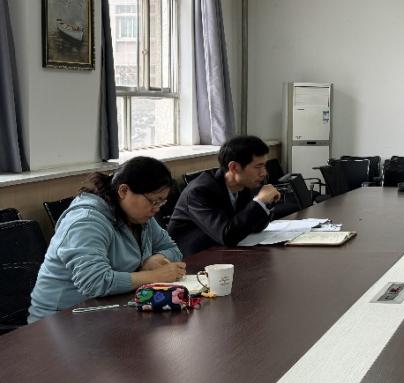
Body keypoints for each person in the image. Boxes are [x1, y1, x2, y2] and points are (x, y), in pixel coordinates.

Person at [28, 157, 186, 322]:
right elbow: (95, 282)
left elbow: (172, 249)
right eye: (153, 201)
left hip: (108, 308)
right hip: (59, 319)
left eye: (161, 202)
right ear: (123, 191)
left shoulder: (140, 216)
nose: (156, 209)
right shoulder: (86, 221)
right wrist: (154, 276)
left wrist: (155, 259)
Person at [167, 135, 281, 256]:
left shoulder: (244, 184)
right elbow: (227, 235)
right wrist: (260, 202)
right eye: (258, 167)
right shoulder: (199, 191)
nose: (264, 173)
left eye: (264, 166)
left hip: (222, 252)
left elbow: (255, 227)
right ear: (234, 167)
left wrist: (266, 203)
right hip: (191, 257)